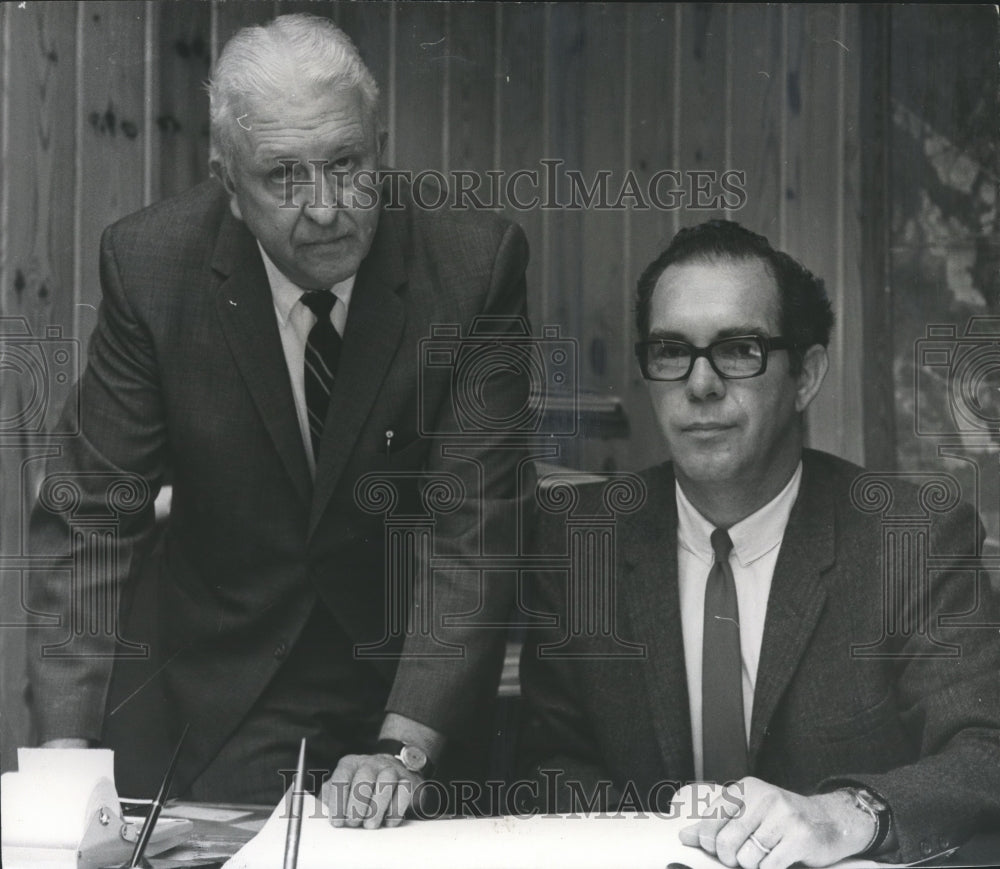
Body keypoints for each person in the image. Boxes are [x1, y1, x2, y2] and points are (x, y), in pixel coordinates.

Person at [26, 14, 531, 827]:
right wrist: (62, 752)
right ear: (228, 183)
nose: (327, 207)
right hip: (221, 680)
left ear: (380, 143)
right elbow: (91, 517)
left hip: (409, 676)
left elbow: (473, 526)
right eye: (285, 176)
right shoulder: (151, 266)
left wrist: (405, 746)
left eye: (347, 164)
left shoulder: (474, 267)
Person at [518, 220, 1000, 867]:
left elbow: (985, 749)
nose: (701, 383)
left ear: (806, 374)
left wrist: (847, 811)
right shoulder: (580, 543)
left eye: (739, 349)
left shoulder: (911, 538)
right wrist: (652, 825)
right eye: (670, 350)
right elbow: (551, 761)